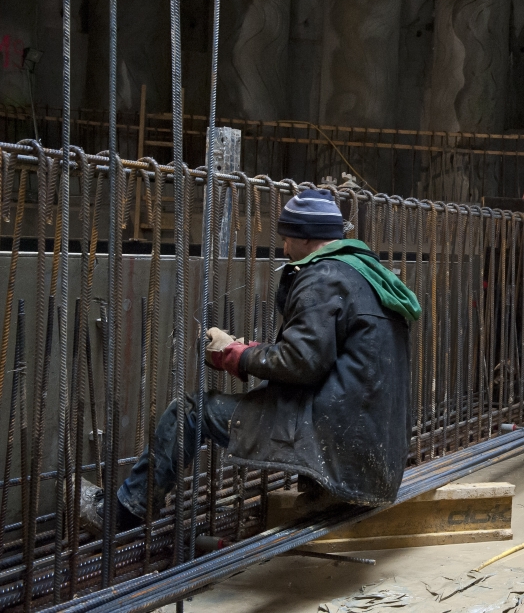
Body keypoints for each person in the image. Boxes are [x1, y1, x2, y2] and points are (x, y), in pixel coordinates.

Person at [81, 189, 421, 532]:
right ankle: (324, 490)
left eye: (287, 239)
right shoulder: (366, 273)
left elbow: (300, 364)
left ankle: (122, 513)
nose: (284, 249)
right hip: (369, 448)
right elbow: (324, 355)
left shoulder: (322, 277)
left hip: (330, 437)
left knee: (192, 413)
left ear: (305, 237)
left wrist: (233, 355)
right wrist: (250, 349)